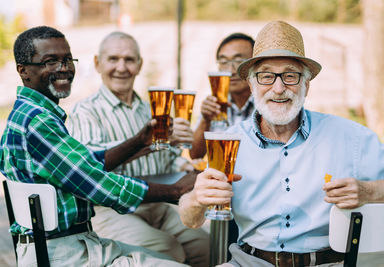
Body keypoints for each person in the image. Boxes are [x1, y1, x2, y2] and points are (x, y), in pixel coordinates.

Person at [179, 21, 384, 267]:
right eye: (266, 76)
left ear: (306, 84)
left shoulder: (348, 136)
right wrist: (197, 199)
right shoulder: (228, 142)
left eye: (290, 75)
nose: (278, 88)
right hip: (248, 262)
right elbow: (190, 220)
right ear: (252, 85)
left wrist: (370, 192)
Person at [0, 25, 191, 266]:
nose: (64, 68)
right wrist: (176, 191)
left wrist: (139, 141)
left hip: (72, 244)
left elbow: (84, 165)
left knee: (167, 255)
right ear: (24, 71)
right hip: (61, 253)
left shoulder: (30, 113)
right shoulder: (37, 121)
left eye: (68, 59)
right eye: (50, 61)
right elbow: (95, 183)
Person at [67, 31, 209, 266]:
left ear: (140, 65)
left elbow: (168, 160)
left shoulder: (151, 110)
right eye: (113, 59)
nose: (121, 67)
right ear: (97, 63)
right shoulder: (86, 111)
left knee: (204, 244)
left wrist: (182, 161)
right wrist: (145, 143)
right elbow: (94, 164)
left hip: (159, 206)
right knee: (169, 250)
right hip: (112, 211)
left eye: (129, 60)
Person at [190, 33, 255, 159]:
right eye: (224, 62)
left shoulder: (268, 103)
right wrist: (205, 120)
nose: (231, 70)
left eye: (239, 61)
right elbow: (195, 155)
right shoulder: (216, 104)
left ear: (255, 64)